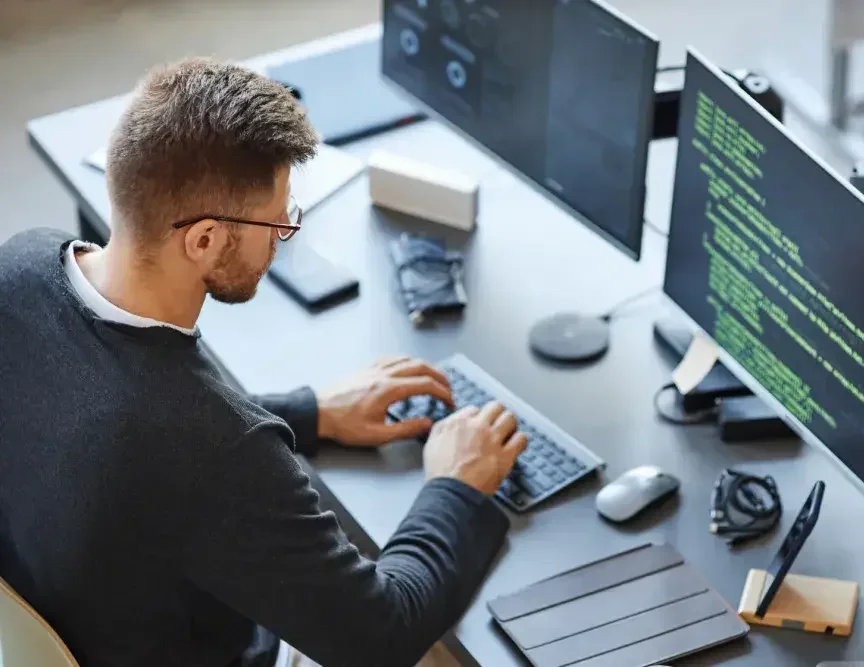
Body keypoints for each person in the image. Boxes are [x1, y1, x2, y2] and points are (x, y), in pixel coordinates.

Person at [0, 58, 526, 667]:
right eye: (276, 222)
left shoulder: (21, 268)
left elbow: (112, 416)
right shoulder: (217, 450)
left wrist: (313, 413)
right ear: (202, 239)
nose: (283, 234)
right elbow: (382, 635)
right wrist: (455, 486)